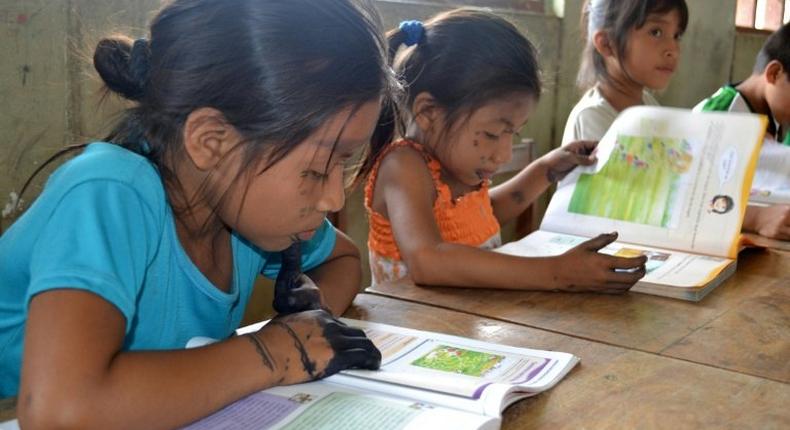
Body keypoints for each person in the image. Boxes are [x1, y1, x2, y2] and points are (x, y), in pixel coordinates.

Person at [0, 0, 397, 427]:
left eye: (344, 165)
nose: (334, 199)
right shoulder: (109, 192)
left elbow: (343, 259)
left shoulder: (245, 214)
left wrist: (309, 321)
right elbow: (57, 411)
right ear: (213, 143)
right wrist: (274, 353)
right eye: (317, 169)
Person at [364, 9, 647, 292]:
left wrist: (546, 170)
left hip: (466, 324)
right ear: (428, 112)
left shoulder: (455, 165)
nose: (504, 154)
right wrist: (556, 272)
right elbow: (428, 261)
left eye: (513, 133)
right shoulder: (403, 167)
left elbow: (484, 217)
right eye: (492, 134)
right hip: (412, 328)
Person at [694, 22, 790, 239]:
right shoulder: (719, 114)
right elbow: (693, 197)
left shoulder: (777, 115)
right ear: (774, 74)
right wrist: (755, 218)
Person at [562, 0, 688, 145]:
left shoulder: (647, 104)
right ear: (607, 43)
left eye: (677, 36)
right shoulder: (592, 118)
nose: (673, 51)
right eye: (656, 32)